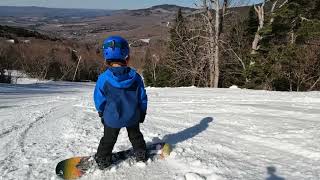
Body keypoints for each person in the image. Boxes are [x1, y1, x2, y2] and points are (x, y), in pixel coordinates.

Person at [93, 36, 148, 170]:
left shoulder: (103, 79)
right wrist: (142, 113)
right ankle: (140, 153)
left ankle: (102, 159)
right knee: (135, 136)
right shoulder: (135, 77)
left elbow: (99, 99)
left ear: (106, 59)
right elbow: (142, 97)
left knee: (108, 139)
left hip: (112, 118)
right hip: (132, 116)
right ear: (127, 57)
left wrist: (102, 113)